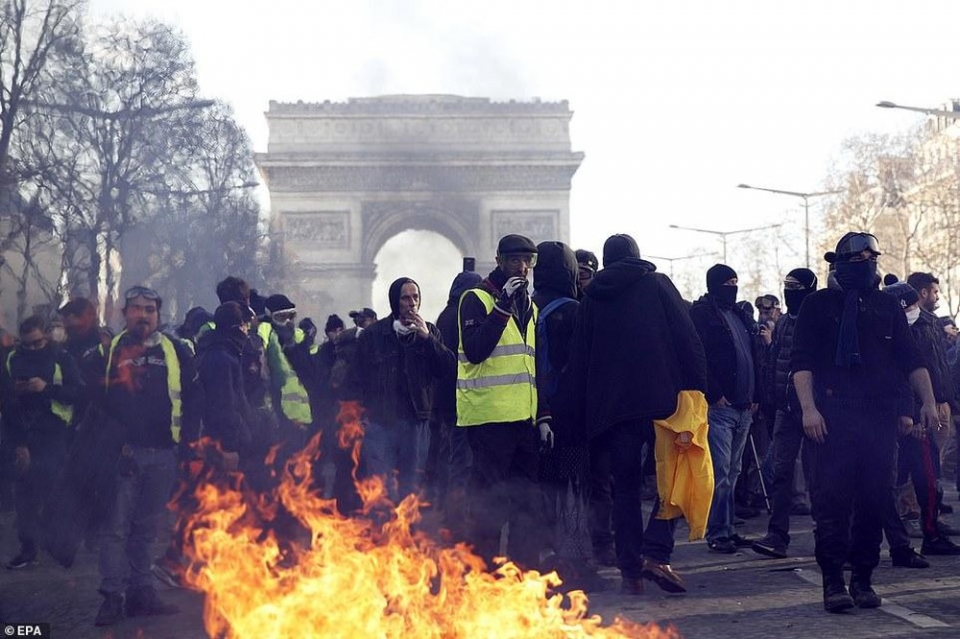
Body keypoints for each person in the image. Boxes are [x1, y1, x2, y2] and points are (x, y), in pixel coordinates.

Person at [792, 233, 939, 613]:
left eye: (873, 256)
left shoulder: (886, 305)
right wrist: (808, 409)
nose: (869, 262)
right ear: (841, 261)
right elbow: (802, 362)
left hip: (877, 419)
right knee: (832, 503)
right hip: (830, 418)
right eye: (861, 257)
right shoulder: (817, 305)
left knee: (875, 501)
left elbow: (911, 358)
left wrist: (926, 401)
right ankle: (833, 582)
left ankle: (862, 578)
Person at [564, 233, 708, 595]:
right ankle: (656, 553)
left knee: (624, 490)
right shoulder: (657, 284)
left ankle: (630, 572)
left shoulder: (591, 299)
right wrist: (698, 387)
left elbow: (580, 360)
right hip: (664, 404)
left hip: (614, 412)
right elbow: (687, 337)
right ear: (637, 256)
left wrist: (583, 417)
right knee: (672, 479)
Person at [87, 285, 203, 626]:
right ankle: (112, 596)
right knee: (116, 528)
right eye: (136, 308)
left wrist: (189, 445)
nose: (143, 314)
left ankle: (142, 594)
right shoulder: (109, 351)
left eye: (149, 309)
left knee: (147, 529)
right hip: (124, 455)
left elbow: (194, 399)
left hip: (165, 454)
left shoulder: (178, 350)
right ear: (125, 313)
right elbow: (96, 400)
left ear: (158, 314)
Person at [457, 234, 543, 568]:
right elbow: (477, 351)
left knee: (527, 505)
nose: (522, 267)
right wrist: (502, 307)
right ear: (499, 261)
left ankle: (524, 577)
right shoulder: (474, 299)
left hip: (524, 419)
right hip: (488, 419)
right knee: (490, 507)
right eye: (514, 260)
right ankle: (483, 576)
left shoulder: (531, 306)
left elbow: (530, 364)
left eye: (528, 261)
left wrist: (544, 414)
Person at [345, 278, 455, 502]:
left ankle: (406, 535)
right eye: (406, 298)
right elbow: (355, 378)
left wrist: (427, 339)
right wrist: (359, 417)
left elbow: (447, 368)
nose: (412, 303)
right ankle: (381, 533)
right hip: (380, 422)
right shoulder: (373, 335)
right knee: (379, 487)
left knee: (411, 487)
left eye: (416, 297)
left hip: (416, 422)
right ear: (395, 301)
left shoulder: (430, 332)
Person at [883, 280, 960, 556]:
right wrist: (914, 414)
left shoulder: (928, 324)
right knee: (902, 477)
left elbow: (936, 367)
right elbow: (904, 375)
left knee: (929, 476)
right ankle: (907, 535)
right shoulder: (893, 330)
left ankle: (929, 530)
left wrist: (946, 400)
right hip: (909, 415)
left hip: (934, 406)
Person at [1, 316, 81, 569]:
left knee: (55, 493)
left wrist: (45, 388)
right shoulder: (13, 358)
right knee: (23, 496)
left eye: (37, 343)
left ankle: (62, 545)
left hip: (53, 433)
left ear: (46, 337)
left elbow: (77, 393)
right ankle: (28, 548)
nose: (33, 348)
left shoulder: (62, 358)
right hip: (23, 432)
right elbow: (6, 398)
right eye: (28, 344)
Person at [690, 264, 758, 553]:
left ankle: (728, 528)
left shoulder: (740, 315)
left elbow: (754, 355)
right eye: (728, 282)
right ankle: (718, 532)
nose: (733, 286)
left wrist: (757, 396)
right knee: (720, 473)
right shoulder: (702, 315)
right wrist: (715, 393)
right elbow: (698, 356)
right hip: (721, 407)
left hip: (744, 406)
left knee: (734, 471)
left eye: (736, 281)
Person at [752, 269, 817, 559]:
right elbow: (773, 361)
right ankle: (777, 535)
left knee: (820, 476)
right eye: (787, 286)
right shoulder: (784, 324)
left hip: (814, 411)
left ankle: (827, 536)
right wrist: (771, 399)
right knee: (780, 473)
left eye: (795, 287)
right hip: (785, 410)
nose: (790, 291)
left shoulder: (821, 321)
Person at [433, 268, 482, 531]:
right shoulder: (465, 315)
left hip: (444, 400)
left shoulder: (444, 316)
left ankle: (444, 505)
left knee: (449, 454)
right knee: (462, 459)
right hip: (462, 397)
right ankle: (456, 513)